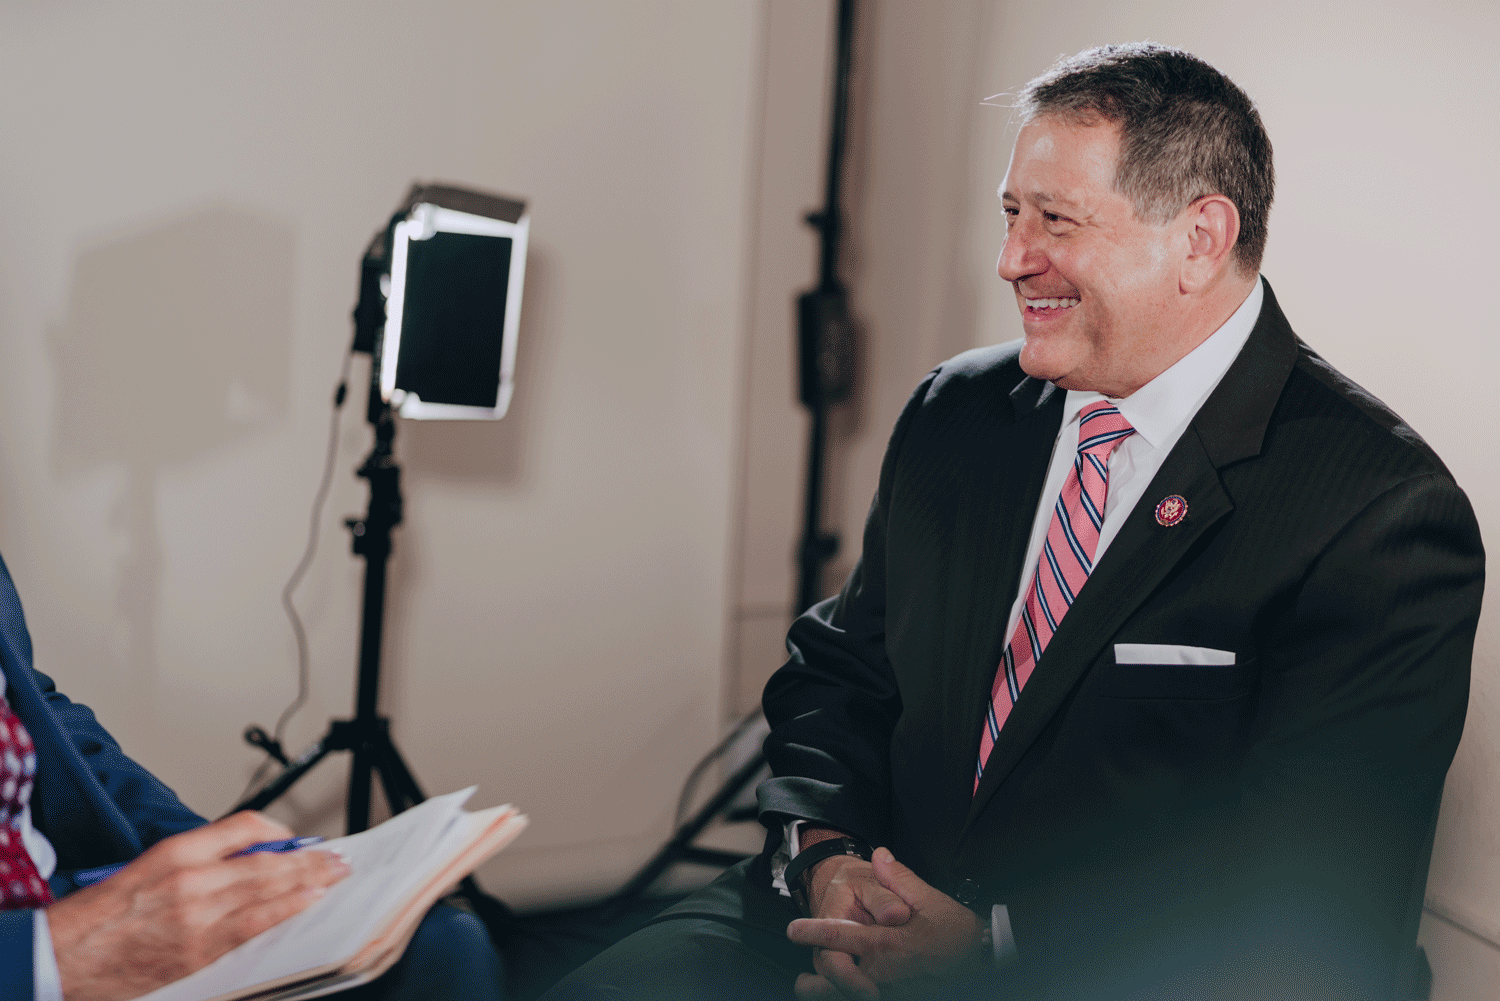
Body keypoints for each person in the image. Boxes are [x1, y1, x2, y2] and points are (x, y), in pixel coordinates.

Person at [542, 42, 1485, 1001]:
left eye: (1055, 222)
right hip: (838, 910)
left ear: (1201, 238)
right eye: (1010, 214)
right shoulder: (957, 409)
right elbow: (843, 674)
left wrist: (996, 954)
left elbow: (1317, 912)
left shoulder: (1383, 514)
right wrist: (828, 860)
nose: (1010, 260)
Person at [0, 552, 507, 1001]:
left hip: (59, 886)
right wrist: (46, 958)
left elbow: (35, 709)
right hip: (27, 950)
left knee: (437, 938)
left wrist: (201, 853)